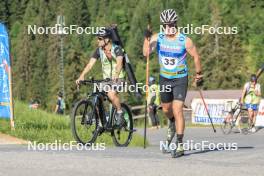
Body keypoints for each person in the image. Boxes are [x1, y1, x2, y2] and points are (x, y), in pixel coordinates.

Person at [143, 9, 203, 157]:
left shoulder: (185, 40)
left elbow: (196, 56)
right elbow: (146, 53)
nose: (168, 28)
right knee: (166, 110)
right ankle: (171, 123)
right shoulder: (158, 38)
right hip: (165, 78)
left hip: (180, 79)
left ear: (175, 24)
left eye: (171, 25)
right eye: (165, 25)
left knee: (177, 109)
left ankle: (180, 145)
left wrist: (198, 74)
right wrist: (147, 38)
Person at [76, 28, 126, 128]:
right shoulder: (99, 51)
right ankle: (102, 123)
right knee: (96, 96)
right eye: (97, 38)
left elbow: (120, 63)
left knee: (111, 94)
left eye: (99, 38)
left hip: (118, 79)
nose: (97, 40)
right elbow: (90, 65)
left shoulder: (117, 49)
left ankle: (120, 113)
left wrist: (116, 74)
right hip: (106, 80)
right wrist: (82, 76)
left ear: (107, 40)